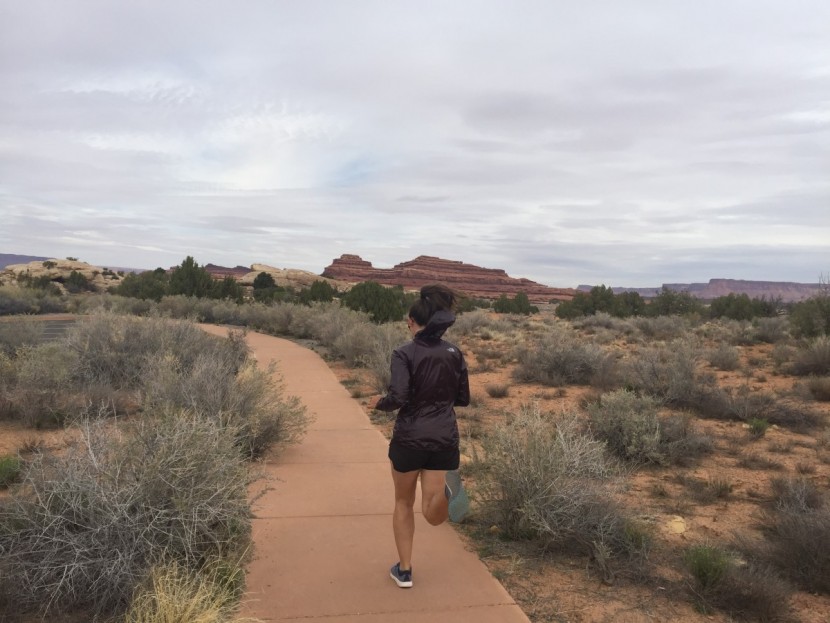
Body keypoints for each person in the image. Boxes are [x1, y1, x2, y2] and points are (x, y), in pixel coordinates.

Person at [374, 284, 471, 589]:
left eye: (409, 321)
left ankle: (404, 571)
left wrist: (379, 403)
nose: (407, 324)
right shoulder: (455, 353)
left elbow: (399, 396)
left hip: (409, 439)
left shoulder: (404, 352)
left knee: (403, 502)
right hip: (444, 439)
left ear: (415, 323)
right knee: (433, 514)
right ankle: (447, 493)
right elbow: (463, 398)